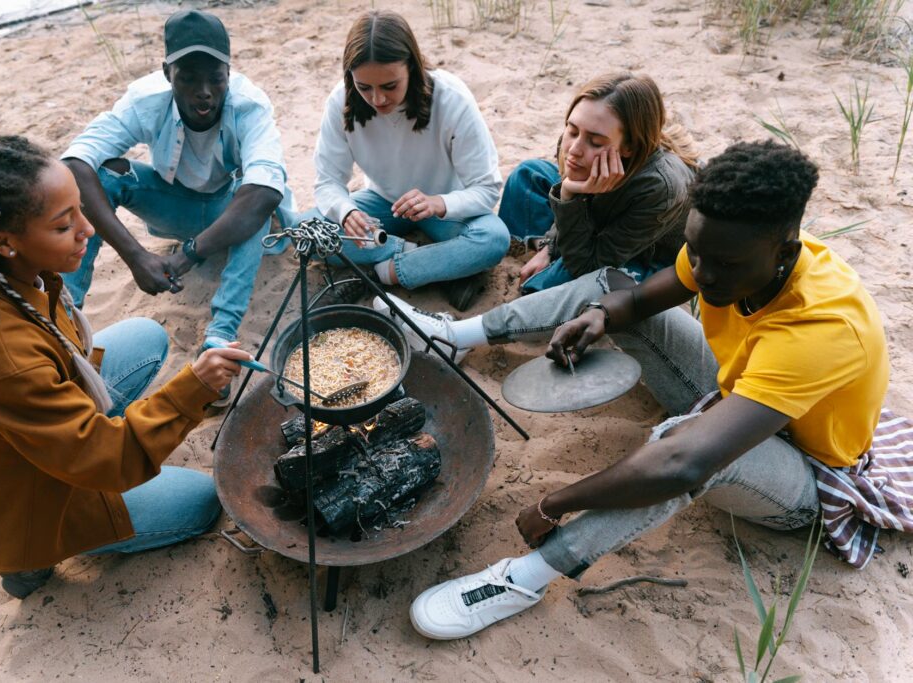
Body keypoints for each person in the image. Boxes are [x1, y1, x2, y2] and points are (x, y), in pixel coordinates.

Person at [409, 141, 905, 640]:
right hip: (741, 396)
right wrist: (600, 316)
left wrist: (552, 505)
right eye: (696, 251)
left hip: (806, 479)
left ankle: (527, 577)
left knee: (688, 450)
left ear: (786, 250)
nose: (704, 274)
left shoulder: (822, 329)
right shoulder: (732, 244)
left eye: (723, 265)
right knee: (608, 286)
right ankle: (453, 337)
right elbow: (642, 297)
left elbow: (682, 464)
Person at [0, 136, 253, 599]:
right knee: (203, 502)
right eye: (64, 226)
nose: (87, 229)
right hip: (32, 504)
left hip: (41, 428)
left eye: (80, 211)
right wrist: (194, 387)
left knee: (146, 336)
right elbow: (110, 460)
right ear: (2, 241)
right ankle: (27, 563)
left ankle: (94, 423)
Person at [375, 73, 698, 361]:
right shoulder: (579, 140)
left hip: (641, 253)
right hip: (591, 213)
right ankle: (495, 262)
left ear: (628, 147)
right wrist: (551, 245)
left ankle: (467, 310)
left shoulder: (661, 187)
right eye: (572, 130)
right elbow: (564, 185)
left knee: (544, 290)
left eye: (595, 142)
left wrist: (570, 195)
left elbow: (591, 266)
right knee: (528, 175)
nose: (574, 148)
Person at [61, 9, 291, 357]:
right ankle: (64, 318)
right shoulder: (145, 100)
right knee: (105, 172)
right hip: (173, 208)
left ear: (228, 72)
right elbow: (74, 164)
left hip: (227, 211)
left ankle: (220, 336)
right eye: (188, 79)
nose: (204, 92)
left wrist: (187, 256)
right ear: (167, 73)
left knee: (256, 195)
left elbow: (263, 194)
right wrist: (135, 256)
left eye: (215, 79)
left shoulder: (250, 105)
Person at [311, 10, 509, 311]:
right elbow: (327, 181)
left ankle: (386, 271)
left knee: (493, 239)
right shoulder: (341, 101)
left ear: (413, 68)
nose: (377, 100)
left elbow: (487, 188)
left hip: (444, 207)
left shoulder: (451, 98)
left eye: (389, 86)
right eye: (365, 87)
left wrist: (437, 203)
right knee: (309, 230)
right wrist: (346, 210)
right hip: (382, 203)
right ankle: (427, 259)